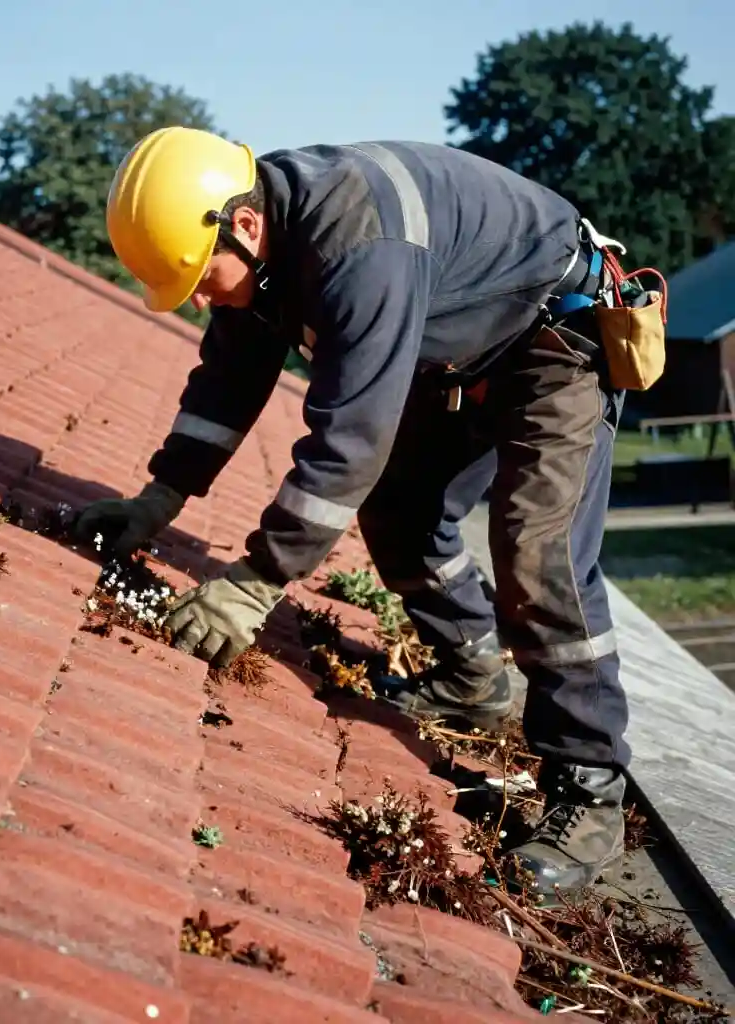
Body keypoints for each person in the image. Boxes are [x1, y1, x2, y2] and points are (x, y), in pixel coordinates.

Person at [75, 126, 660, 900]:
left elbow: (349, 443)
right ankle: (471, 676)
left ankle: (589, 790)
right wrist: (160, 498)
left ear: (243, 225)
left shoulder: (358, 247)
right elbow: (226, 385)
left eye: (204, 281)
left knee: (537, 553)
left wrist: (253, 584)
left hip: (559, 338)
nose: (206, 299)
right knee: (397, 513)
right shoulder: (256, 242)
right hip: (460, 352)